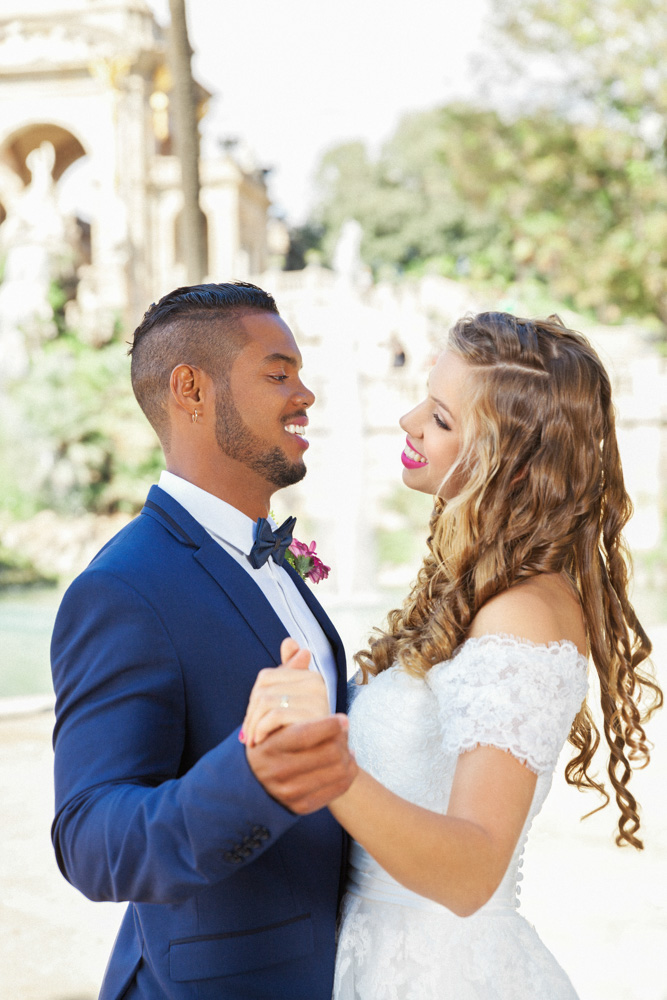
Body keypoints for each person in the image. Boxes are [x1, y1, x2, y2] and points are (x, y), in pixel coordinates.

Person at [242, 311, 663, 999]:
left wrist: (324, 759)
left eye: (440, 419)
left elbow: (472, 873)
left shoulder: (521, 615)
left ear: (511, 459)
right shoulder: (480, 584)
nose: (408, 421)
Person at [50, 282, 358, 1000]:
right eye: (278, 372)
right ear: (191, 389)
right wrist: (253, 777)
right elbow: (91, 840)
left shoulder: (269, 556)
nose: (304, 394)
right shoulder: (124, 588)